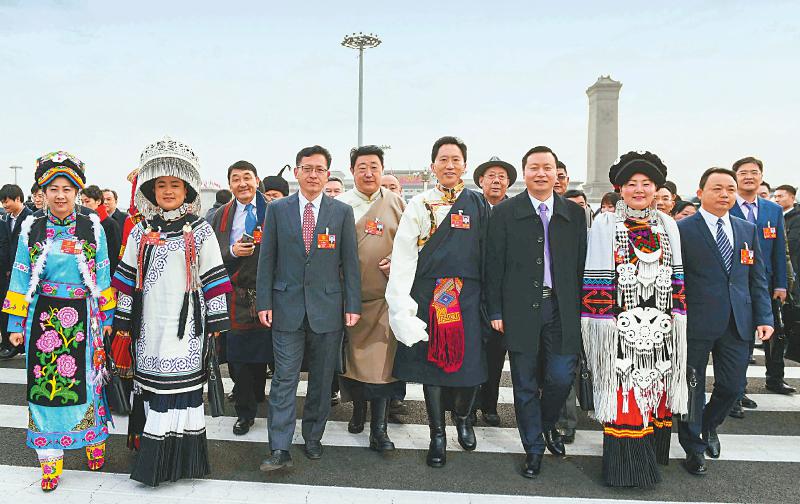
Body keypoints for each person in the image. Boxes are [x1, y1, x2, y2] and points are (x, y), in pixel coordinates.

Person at [111, 137, 232, 486]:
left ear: (187, 189)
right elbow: (127, 281)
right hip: (149, 329)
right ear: (150, 190)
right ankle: (155, 458)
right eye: (161, 185)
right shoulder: (139, 232)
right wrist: (122, 325)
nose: (167, 191)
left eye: (174, 185)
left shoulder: (201, 230)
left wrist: (216, 325)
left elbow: (214, 280)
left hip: (188, 329)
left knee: (179, 393)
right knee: (151, 390)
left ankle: (180, 462)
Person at [2, 151, 116, 492]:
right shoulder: (31, 227)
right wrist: (13, 325)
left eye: (68, 188)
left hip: (86, 315)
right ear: (43, 192)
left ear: (78, 192)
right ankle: (50, 459)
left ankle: (94, 439)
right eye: (54, 188)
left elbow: (103, 272)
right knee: (43, 389)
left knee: (88, 381)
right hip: (43, 320)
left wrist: (107, 316)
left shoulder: (92, 227)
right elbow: (21, 276)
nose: (61, 195)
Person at [581, 151, 688, 487]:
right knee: (625, 395)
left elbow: (678, 278)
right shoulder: (605, 223)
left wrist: (678, 319)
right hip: (621, 327)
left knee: (656, 390)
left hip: (662, 328)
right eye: (631, 184)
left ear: (657, 188)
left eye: (646, 184)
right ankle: (627, 470)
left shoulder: (668, 224)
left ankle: (653, 456)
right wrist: (602, 323)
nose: (639, 189)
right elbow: (594, 277)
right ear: (620, 188)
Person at [256, 145, 361, 471]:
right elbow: (267, 259)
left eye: (319, 169)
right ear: (297, 173)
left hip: (328, 309)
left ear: (328, 174)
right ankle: (280, 448)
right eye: (307, 168)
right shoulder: (278, 210)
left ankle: (313, 436)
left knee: (320, 379)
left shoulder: (341, 212)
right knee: (284, 379)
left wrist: (352, 304)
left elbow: (350, 262)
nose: (313, 174)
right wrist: (264, 301)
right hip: (285, 306)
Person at [386, 136, 489, 468]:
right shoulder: (420, 204)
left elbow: (489, 256)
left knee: (470, 367)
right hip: (430, 296)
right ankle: (437, 435)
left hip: (469, 298)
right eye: (443, 160)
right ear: (433, 166)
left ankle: (462, 416)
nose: (449, 165)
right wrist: (402, 304)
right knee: (433, 367)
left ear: (464, 165)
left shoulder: (479, 204)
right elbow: (404, 256)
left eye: (455, 159)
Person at [487, 145, 587, 479]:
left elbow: (581, 267)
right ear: (525, 172)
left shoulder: (573, 214)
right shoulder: (505, 213)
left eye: (548, 167)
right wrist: (496, 310)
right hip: (519, 310)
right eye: (534, 167)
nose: (541, 173)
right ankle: (533, 447)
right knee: (524, 383)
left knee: (560, 376)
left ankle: (545, 425)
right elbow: (493, 266)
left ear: (557, 172)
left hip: (562, 308)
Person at [677, 167, 773, 476]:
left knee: (732, 387)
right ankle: (693, 446)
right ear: (701, 192)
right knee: (691, 387)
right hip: (696, 321)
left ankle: (708, 424)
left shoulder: (746, 229)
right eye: (717, 189)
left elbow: (756, 278)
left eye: (730, 189)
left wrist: (765, 316)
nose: (725, 195)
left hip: (738, 321)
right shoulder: (683, 229)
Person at [337, 145, 406, 451]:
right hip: (348, 302)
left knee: (382, 367)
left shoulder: (396, 204)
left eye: (374, 166)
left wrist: (398, 263)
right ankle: (358, 410)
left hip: (383, 301)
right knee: (352, 364)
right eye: (362, 167)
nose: (368, 172)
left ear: (382, 169)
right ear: (352, 171)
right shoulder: (339, 205)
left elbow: (412, 247)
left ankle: (379, 429)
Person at [211, 160, 272, 436]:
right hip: (235, 293)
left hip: (268, 292)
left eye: (247, 177)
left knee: (265, 354)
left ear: (257, 180)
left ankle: (259, 395)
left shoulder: (275, 210)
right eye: (236, 179)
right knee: (238, 357)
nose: (242, 183)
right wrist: (233, 252)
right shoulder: (221, 215)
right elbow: (211, 256)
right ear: (230, 184)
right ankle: (245, 412)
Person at [730, 157, 793, 409]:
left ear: (761, 176)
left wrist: (781, 283)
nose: (748, 177)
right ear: (736, 177)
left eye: (753, 172)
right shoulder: (727, 206)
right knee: (740, 337)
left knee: (774, 332)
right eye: (743, 172)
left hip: (765, 284)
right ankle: (736, 390)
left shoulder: (772, 210)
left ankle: (775, 378)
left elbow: (779, 250)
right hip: (736, 283)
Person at [472, 156, 517, 427]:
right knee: (471, 351)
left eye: (501, 176)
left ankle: (489, 404)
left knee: (495, 355)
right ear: (481, 181)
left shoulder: (515, 210)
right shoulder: (471, 207)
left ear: (508, 182)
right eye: (491, 175)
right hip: (472, 292)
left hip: (503, 297)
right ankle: (466, 405)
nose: (496, 180)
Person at [0, 184, 34, 359]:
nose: (4, 206)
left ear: (18, 199)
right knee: (7, 306)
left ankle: (19, 344)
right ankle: (9, 342)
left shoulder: (31, 218)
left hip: (25, 271)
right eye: (2, 202)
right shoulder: (6, 219)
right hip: (9, 271)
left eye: (7, 202)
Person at [80, 185, 121, 274]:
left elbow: (114, 256)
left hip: (104, 274)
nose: (84, 205)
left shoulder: (111, 224)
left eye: (87, 201)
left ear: (98, 201)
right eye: (82, 202)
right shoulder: (83, 222)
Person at [774, 185, 799, 275]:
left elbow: (792, 243)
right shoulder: (774, 216)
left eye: (780, 196)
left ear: (792, 198)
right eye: (775, 197)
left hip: (793, 265)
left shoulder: (797, 218)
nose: (776, 200)